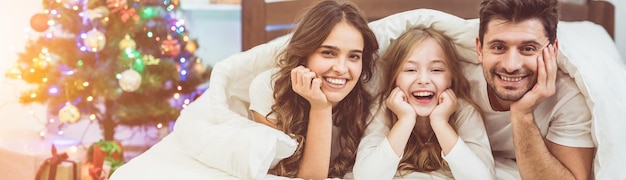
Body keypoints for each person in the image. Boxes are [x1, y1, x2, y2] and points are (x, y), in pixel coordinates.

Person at [247, 0, 379, 179]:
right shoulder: (268, 89)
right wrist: (320, 107)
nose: (341, 68)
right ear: (304, 53)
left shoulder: (372, 94)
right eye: (328, 53)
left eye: (354, 56)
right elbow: (310, 178)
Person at [473, 0, 595, 179]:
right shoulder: (450, 78)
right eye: (499, 47)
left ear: (553, 51)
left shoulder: (570, 97)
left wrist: (522, 114)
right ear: (479, 48)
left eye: (528, 49)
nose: (511, 65)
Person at [353, 27, 494, 179]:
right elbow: (366, 177)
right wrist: (405, 120)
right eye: (410, 70)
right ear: (395, 78)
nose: (423, 80)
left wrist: (440, 123)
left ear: (451, 77)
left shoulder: (464, 110)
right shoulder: (382, 108)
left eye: (436, 70)